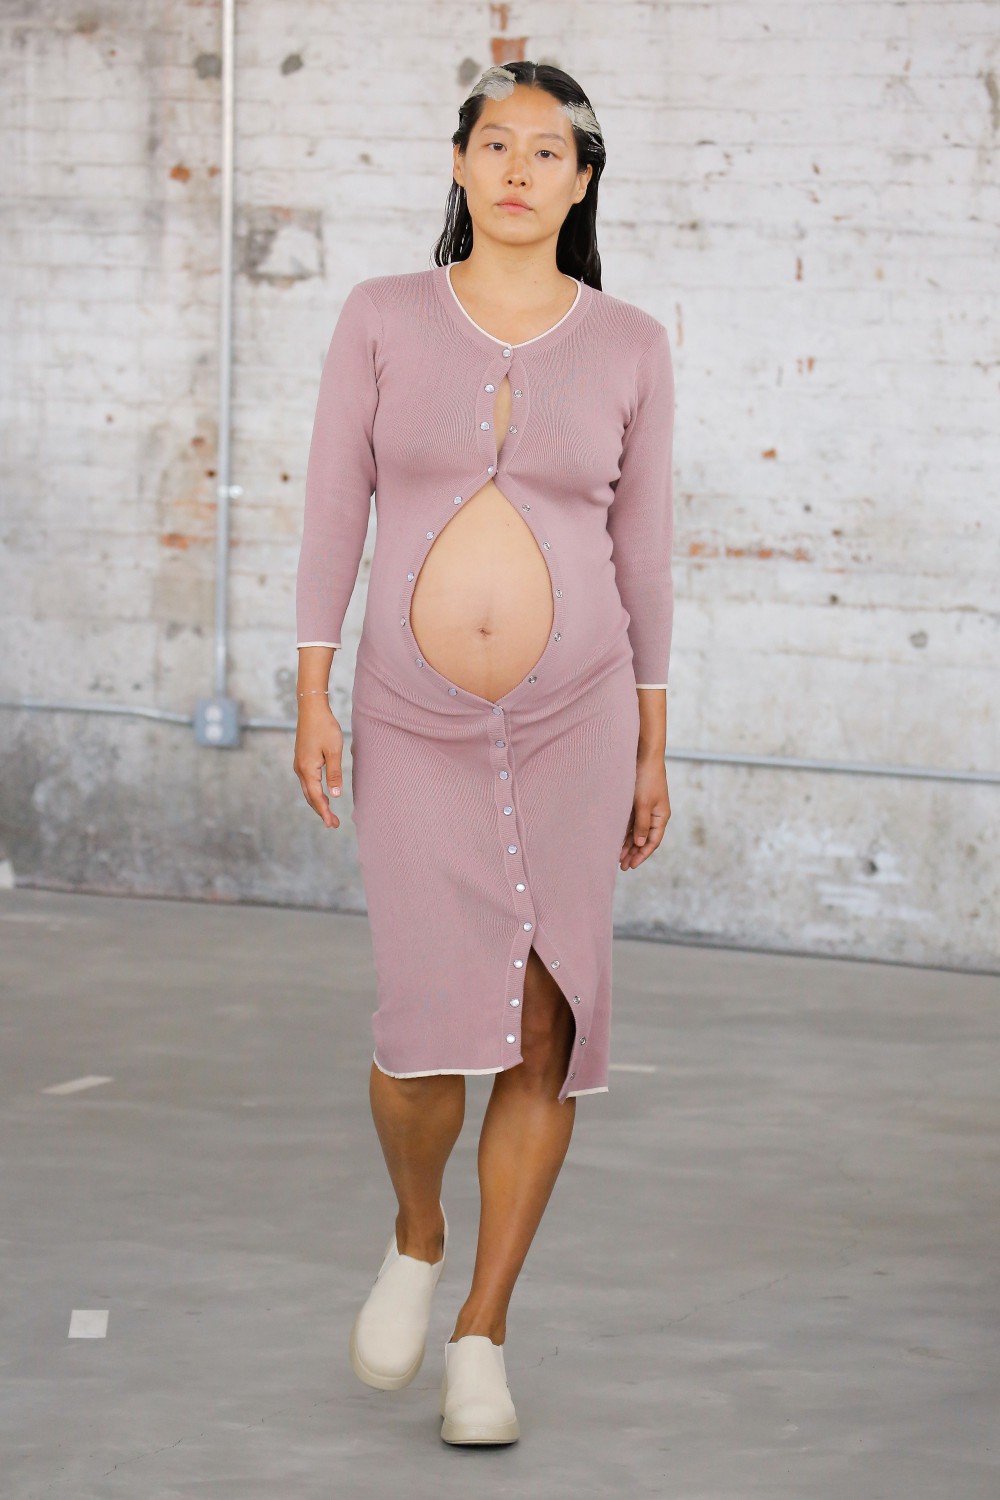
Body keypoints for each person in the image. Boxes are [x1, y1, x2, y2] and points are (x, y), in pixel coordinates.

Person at [292, 60, 675, 1445]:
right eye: (496, 144)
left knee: (544, 1028)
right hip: (411, 716)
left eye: (548, 151)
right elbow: (334, 504)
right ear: (461, 166)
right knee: (418, 1036)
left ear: (582, 182)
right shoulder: (381, 315)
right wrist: (313, 692)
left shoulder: (630, 343)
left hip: (579, 719)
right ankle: (415, 1233)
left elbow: (645, 549)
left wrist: (653, 740)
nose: (520, 168)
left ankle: (482, 1335)